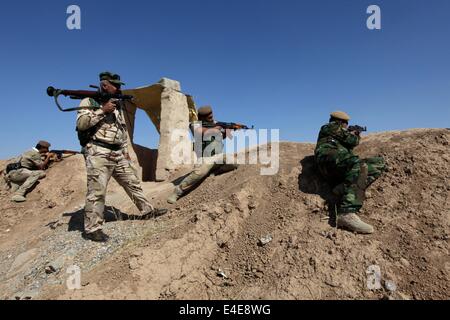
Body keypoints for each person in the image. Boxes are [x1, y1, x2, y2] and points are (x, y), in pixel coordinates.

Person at [76, 71, 167, 242]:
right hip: (98, 151)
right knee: (97, 191)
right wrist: (102, 110)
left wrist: (125, 150)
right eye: (115, 85)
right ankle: (92, 228)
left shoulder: (116, 104)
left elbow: (121, 129)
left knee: (132, 182)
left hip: (117, 152)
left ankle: (147, 211)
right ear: (105, 85)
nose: (118, 88)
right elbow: (81, 124)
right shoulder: (89, 101)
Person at [314, 111, 387, 234]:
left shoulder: (337, 134)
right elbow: (352, 141)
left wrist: (353, 134)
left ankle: (343, 187)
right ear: (342, 122)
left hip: (339, 164)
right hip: (329, 161)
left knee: (378, 163)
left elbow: (348, 145)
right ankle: (346, 213)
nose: (347, 126)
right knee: (356, 163)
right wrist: (356, 135)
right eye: (346, 124)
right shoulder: (331, 127)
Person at [167, 106, 238, 204]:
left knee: (233, 163)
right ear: (202, 117)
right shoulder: (195, 125)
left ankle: (214, 172)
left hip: (218, 156)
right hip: (205, 158)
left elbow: (223, 137)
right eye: (209, 117)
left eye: (212, 115)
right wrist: (218, 128)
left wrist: (230, 130)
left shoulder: (215, 124)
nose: (212, 118)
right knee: (199, 174)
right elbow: (202, 132)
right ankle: (177, 191)